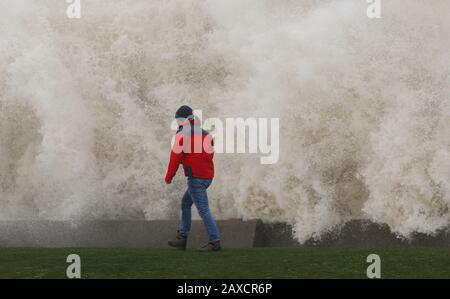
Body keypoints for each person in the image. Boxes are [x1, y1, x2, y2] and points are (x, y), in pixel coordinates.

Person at [165, 105, 221, 251]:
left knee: (203, 210)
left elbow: (175, 158)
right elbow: (210, 154)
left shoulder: (182, 134)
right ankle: (182, 238)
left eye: (178, 120)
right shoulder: (205, 133)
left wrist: (169, 176)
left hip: (196, 178)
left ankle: (215, 241)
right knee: (185, 203)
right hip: (208, 177)